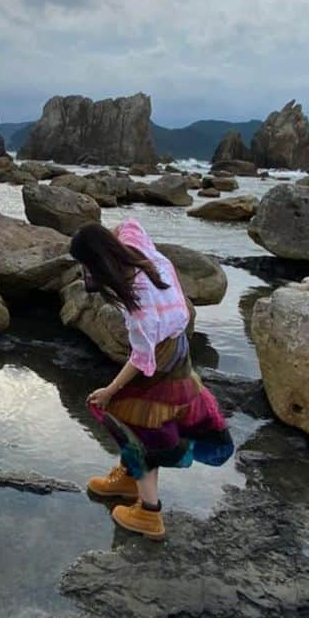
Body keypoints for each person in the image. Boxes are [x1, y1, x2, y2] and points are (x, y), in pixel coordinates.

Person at [69, 218, 232, 541]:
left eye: (86, 266)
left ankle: (149, 513)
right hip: (179, 345)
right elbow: (130, 222)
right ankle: (129, 479)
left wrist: (109, 390)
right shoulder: (140, 250)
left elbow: (144, 360)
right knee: (135, 421)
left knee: (141, 430)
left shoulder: (138, 305)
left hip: (161, 357)